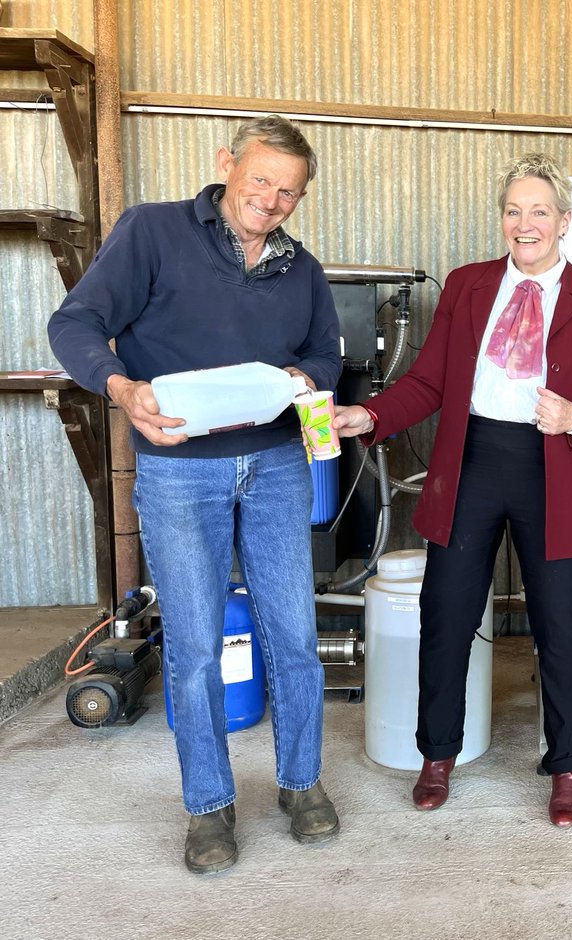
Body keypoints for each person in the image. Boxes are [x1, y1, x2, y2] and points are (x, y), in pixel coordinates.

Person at [47, 115, 342, 874]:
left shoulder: (300, 267)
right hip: (181, 473)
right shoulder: (152, 232)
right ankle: (209, 805)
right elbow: (76, 320)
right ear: (226, 164)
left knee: (294, 639)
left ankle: (300, 783)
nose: (272, 201)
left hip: (275, 465)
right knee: (193, 649)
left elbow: (321, 353)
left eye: (289, 192)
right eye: (261, 181)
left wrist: (309, 380)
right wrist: (121, 387)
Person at [332, 152, 572, 828]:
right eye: (513, 211)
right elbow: (430, 383)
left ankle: (566, 766)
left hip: (551, 466)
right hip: (470, 462)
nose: (524, 224)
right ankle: (437, 755)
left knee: (562, 625)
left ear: (563, 220)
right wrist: (371, 414)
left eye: (539, 212)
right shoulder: (469, 287)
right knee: (446, 612)